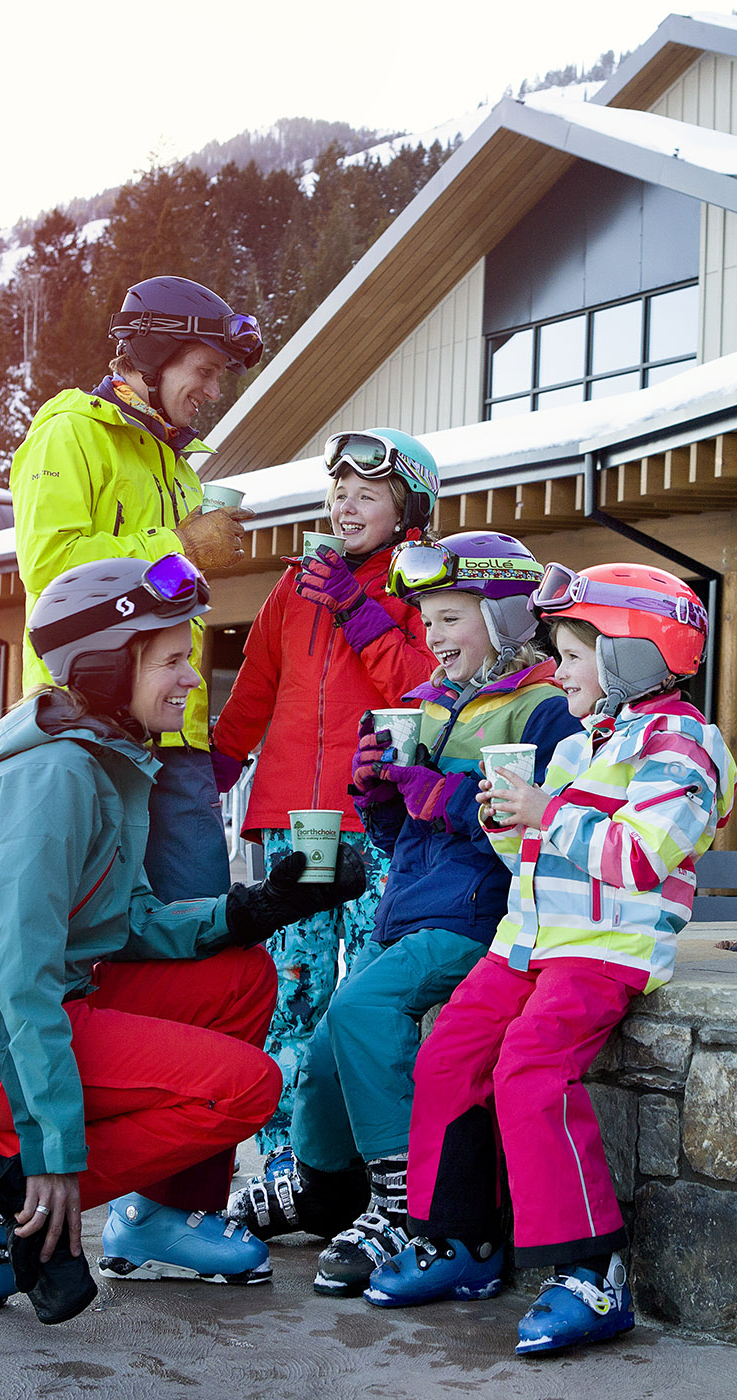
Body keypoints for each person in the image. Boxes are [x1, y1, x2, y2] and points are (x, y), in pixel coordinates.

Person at [0, 556, 366, 1325]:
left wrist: (259, 905)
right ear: (110, 666)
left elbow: (126, 922)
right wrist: (51, 1152)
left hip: (36, 1006)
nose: (190, 680)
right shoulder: (54, 778)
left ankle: (158, 1219)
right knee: (245, 1087)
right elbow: (15, 975)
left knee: (239, 977)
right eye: (172, 660)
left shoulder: (102, 753)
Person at [363, 563, 737, 1357]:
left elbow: (639, 858)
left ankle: (591, 1272)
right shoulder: (587, 742)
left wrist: (546, 811)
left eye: (570, 653)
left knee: (529, 1066)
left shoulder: (684, 747)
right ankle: (462, 1243)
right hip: (530, 941)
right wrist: (509, 819)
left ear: (634, 655)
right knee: (448, 1053)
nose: (556, 667)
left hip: (603, 949)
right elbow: (537, 850)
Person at [280, 532, 582, 1298]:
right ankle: (324, 1189)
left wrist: (439, 796)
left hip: (479, 917)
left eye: (452, 617)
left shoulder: (544, 711)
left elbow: (538, 832)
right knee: (324, 1049)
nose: (434, 636)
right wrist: (379, 793)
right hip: (409, 911)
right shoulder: (426, 705)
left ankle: (399, 1203)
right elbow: (397, 836)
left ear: (509, 618)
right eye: (428, 621)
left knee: (360, 1011)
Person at [209, 430, 440, 1221]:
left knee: (368, 988)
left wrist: (356, 605)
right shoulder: (293, 589)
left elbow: (419, 690)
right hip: (299, 823)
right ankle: (284, 1163)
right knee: (295, 989)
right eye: (338, 491)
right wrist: (214, 764)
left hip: (379, 822)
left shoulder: (419, 591)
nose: (345, 505)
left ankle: (363, 1163)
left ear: (408, 511)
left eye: (366, 494)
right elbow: (255, 691)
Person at [9, 274, 261, 903]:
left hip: (175, 733)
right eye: (203, 371)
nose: (212, 392)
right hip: (83, 725)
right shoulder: (70, 431)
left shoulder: (178, 466)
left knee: (200, 922)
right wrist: (181, 546)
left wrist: (189, 555)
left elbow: (169, 590)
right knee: (91, 922)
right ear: (154, 357)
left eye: (218, 378)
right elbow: (51, 565)